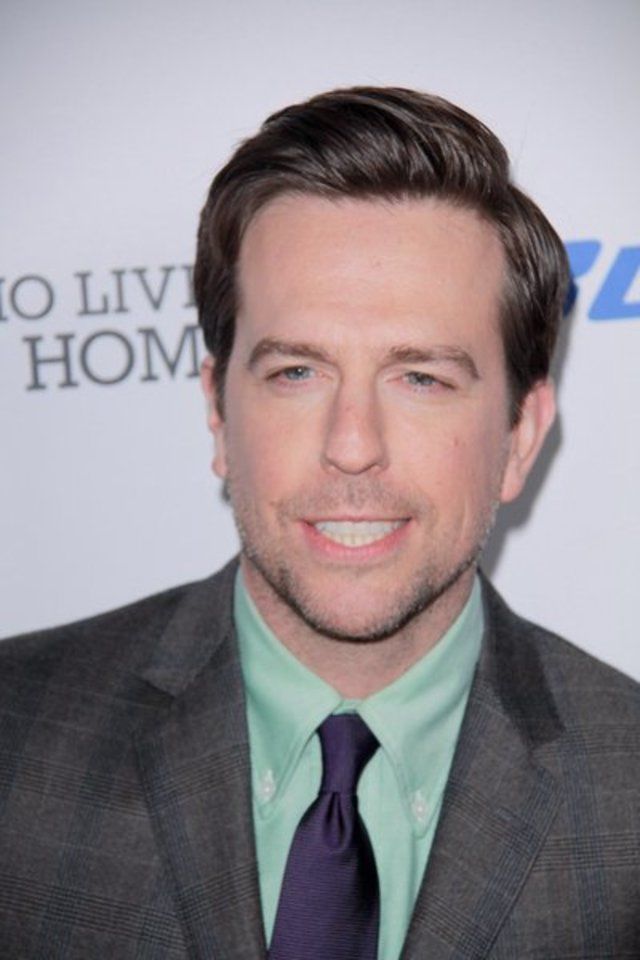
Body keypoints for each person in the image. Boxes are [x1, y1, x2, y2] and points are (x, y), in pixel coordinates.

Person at [1, 87, 638, 959]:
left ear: (521, 436)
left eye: (422, 378)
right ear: (218, 414)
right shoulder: (15, 738)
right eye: (297, 372)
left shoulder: (626, 786)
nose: (352, 447)